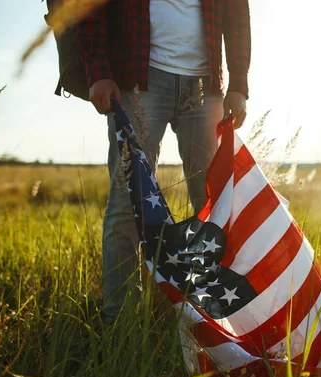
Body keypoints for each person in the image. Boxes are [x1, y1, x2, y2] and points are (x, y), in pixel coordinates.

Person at [76, 0, 250, 323]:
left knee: (216, 205)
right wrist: (97, 70)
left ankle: (218, 320)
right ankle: (121, 322)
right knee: (126, 204)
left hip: (205, 83)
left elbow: (237, 10)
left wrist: (239, 80)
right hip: (140, 79)